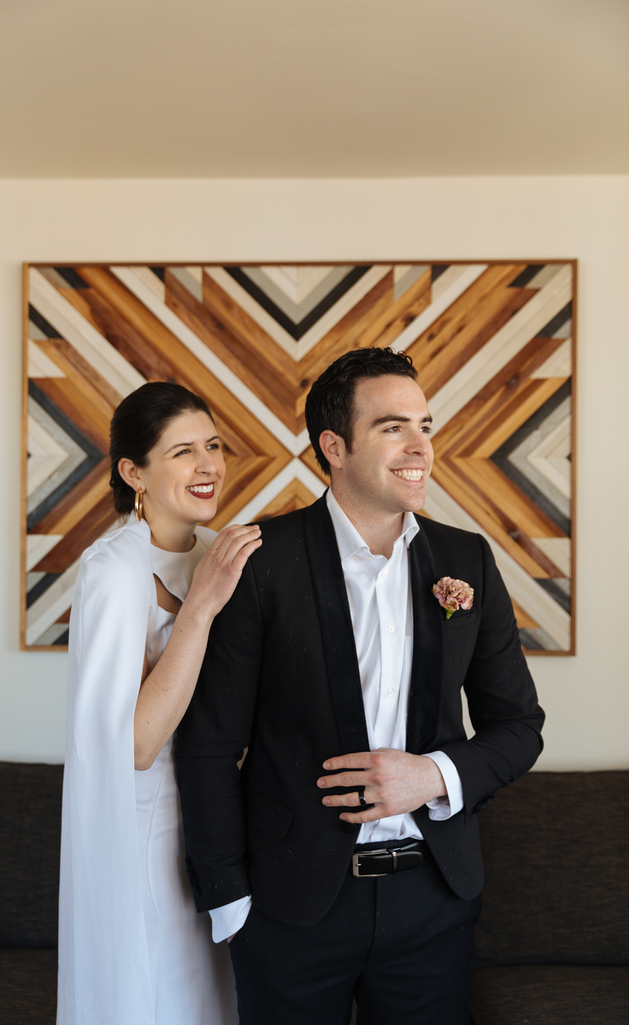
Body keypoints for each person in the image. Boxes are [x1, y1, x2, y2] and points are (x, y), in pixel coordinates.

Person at [176, 347, 545, 1025]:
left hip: (435, 900)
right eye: (392, 427)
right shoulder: (262, 561)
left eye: (425, 425)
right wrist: (230, 903)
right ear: (333, 445)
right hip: (289, 906)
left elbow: (519, 727)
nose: (419, 447)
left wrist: (432, 776)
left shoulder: (467, 559)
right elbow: (206, 745)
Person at [57, 382, 261, 1025]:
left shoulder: (215, 552)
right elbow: (136, 746)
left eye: (213, 446)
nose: (207, 466)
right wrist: (200, 607)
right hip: (145, 830)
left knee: (220, 999)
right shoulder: (112, 571)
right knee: (162, 998)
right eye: (181, 452)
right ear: (132, 472)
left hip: (219, 820)